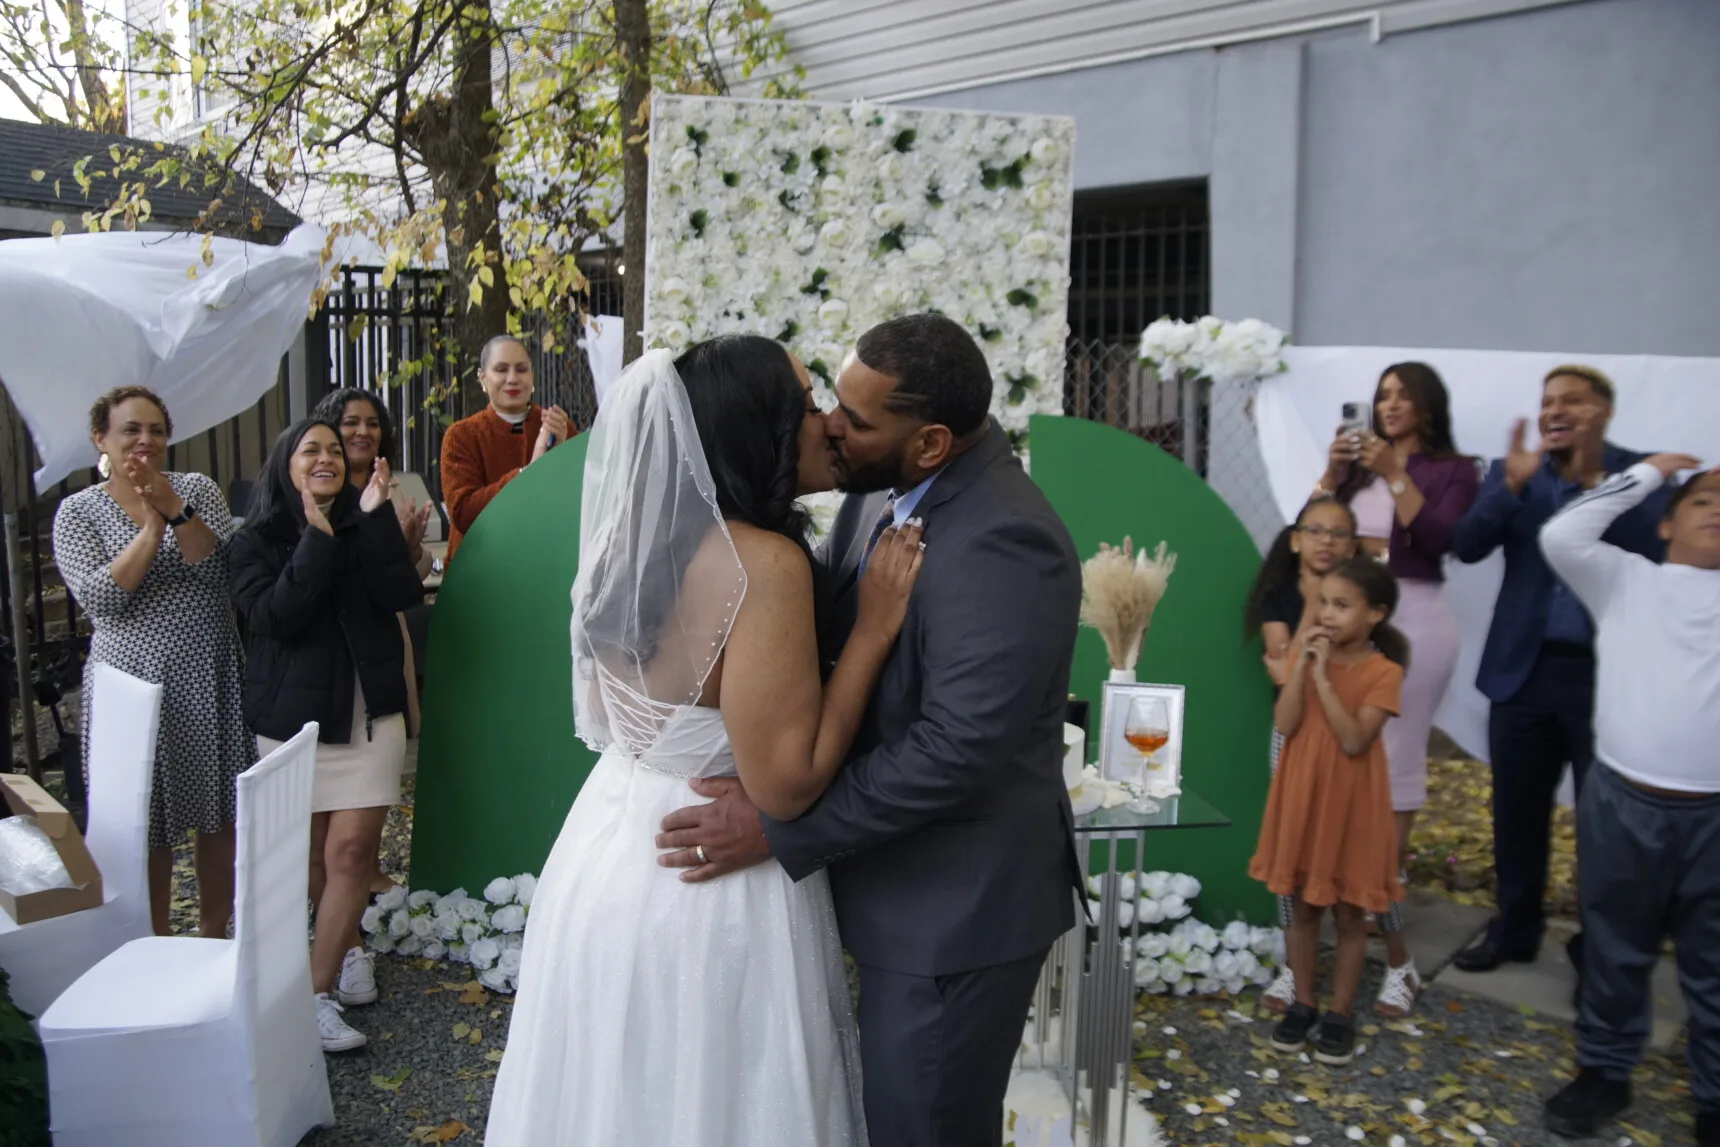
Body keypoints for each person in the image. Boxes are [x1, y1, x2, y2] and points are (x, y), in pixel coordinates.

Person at [655, 314, 1085, 1147]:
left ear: (928, 443)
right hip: (885, 883)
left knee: (919, 1129)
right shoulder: (874, 495)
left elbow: (957, 748)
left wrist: (779, 822)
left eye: (855, 419)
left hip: (953, 909)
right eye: (831, 401)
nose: (829, 427)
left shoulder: (1005, 538)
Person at [485, 336, 924, 1145]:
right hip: (706, 892)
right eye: (804, 405)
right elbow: (787, 785)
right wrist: (870, 633)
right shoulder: (764, 566)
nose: (825, 421)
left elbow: (615, 718)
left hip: (603, 857)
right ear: (760, 428)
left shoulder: (624, 551)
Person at [1449, 365, 1669, 974]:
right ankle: (1514, 930)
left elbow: (1660, 555)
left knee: (1608, 823)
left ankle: (1597, 948)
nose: (1554, 410)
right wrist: (1507, 489)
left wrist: (1600, 482)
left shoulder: (1641, 477)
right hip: (1523, 672)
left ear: (1604, 411)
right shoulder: (1513, 471)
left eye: (1571, 400)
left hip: (1607, 677)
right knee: (1516, 813)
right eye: (1547, 401)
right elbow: (1467, 546)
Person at [1536, 455, 1719, 1142]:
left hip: (1715, 814)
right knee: (1615, 946)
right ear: (1667, 523)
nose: (1717, 508)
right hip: (1623, 801)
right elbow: (1561, 535)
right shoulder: (1626, 580)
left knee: (1715, 960)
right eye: (1703, 499)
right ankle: (1605, 1071)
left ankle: (1714, 1094)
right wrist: (1647, 473)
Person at [229, 418, 426, 1053]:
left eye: (334, 451)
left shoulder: (364, 523)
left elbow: (401, 594)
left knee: (350, 855)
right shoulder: (255, 539)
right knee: (313, 856)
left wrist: (372, 520)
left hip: (372, 719)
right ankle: (347, 950)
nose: (326, 459)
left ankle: (313, 994)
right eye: (310, 450)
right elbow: (274, 618)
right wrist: (315, 540)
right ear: (286, 464)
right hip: (294, 725)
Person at [52, 386, 255, 938]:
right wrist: (149, 529)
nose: (145, 441)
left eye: (156, 430)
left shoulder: (196, 490)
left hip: (206, 673)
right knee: (147, 822)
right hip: (129, 686)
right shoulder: (78, 513)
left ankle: (215, 936)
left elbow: (219, 574)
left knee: (219, 814)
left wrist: (174, 509)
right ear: (101, 439)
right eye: (130, 430)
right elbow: (103, 599)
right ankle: (154, 940)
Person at [1319, 364, 1475, 977]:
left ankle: (1385, 881)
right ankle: (1343, 881)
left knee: (1396, 749)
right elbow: (1313, 533)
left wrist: (1394, 474)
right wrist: (1334, 474)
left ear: (1428, 408)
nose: (1389, 404)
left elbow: (1442, 540)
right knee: (1343, 743)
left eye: (1402, 395)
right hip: (1348, 616)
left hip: (1417, 618)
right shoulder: (1353, 473)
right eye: (1382, 394)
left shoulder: (1454, 471)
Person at [1246, 497, 1415, 1013]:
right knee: (1296, 866)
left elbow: (1356, 735)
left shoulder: (1380, 659)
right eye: (1315, 531)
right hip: (1301, 747)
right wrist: (1312, 629)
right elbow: (1281, 677)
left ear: (1354, 543)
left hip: (1349, 764)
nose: (1326, 541)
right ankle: (1298, 984)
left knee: (1358, 874)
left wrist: (1323, 612)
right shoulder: (1283, 598)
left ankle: (1399, 962)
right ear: (1296, 539)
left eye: (1338, 533)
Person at [311, 388, 435, 897]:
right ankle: (334, 875)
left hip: (386, 633)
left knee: (380, 756)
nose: (363, 432)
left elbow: (420, 569)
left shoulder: (400, 486)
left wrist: (406, 548)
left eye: (372, 423)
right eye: (350, 423)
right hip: (328, 651)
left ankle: (368, 861)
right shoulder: (317, 489)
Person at [439, 336, 572, 563]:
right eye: (501, 369)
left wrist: (563, 456)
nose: (512, 379)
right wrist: (528, 474)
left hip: (544, 564)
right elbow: (463, 513)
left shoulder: (559, 427)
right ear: (483, 378)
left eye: (521, 370)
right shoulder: (461, 435)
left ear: (532, 377)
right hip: (481, 569)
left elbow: (578, 503)